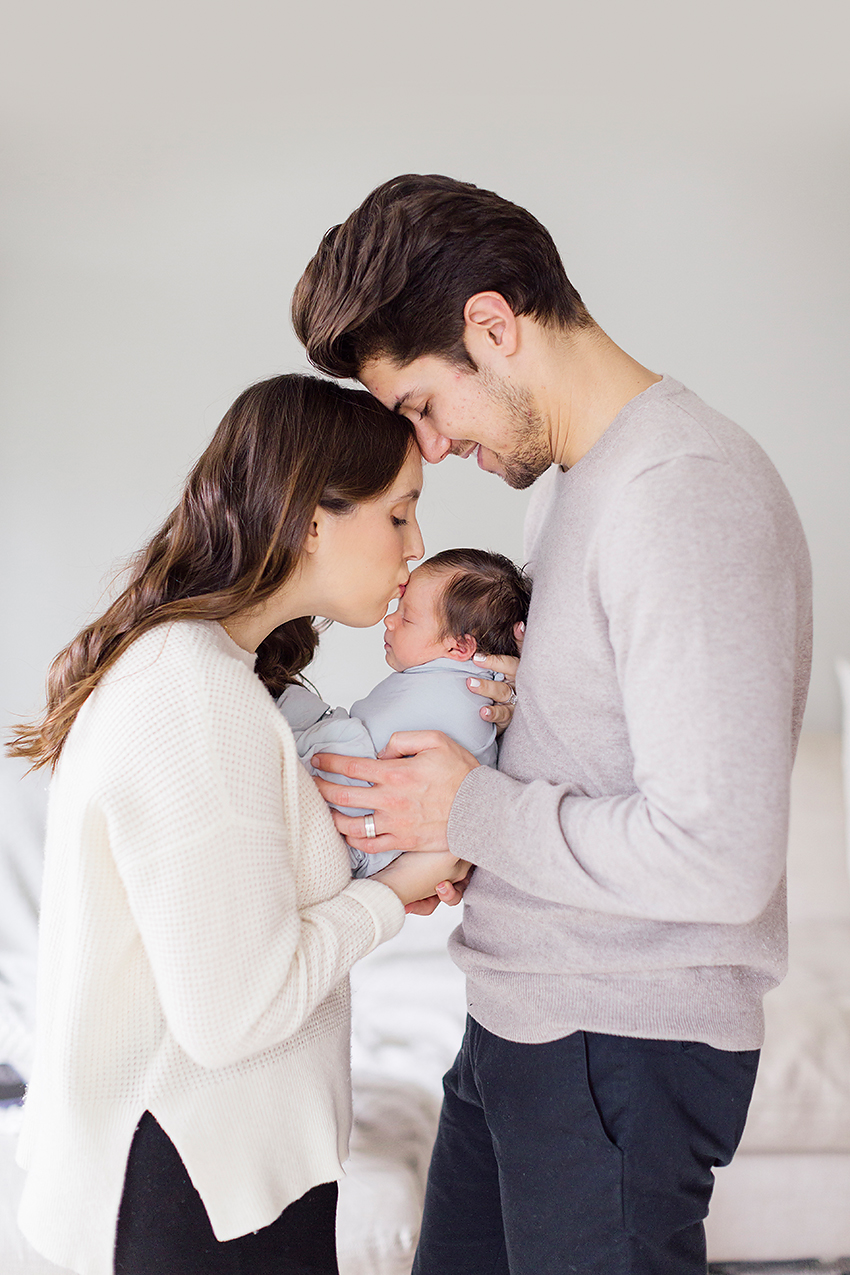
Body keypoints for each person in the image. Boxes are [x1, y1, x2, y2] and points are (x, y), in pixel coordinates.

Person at [290, 175, 813, 1274]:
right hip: (525, 1026)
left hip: (620, 1045)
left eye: (423, 407)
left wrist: (471, 808)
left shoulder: (683, 493)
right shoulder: (573, 485)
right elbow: (593, 750)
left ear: (493, 326)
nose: (425, 450)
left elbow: (716, 858)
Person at [6, 373, 469, 1275]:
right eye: (400, 514)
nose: (416, 546)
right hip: (191, 1184)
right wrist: (397, 891)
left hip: (216, 1170)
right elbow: (235, 1011)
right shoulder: (194, 692)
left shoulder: (214, 671)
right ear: (310, 520)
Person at [278, 547, 530, 877]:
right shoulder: (467, 682)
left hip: (357, 830)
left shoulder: (469, 700)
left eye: (406, 617)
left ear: (459, 647)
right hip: (356, 799)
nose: (390, 620)